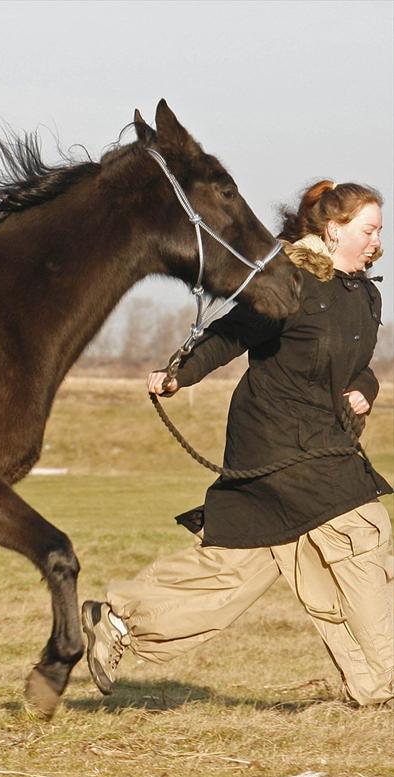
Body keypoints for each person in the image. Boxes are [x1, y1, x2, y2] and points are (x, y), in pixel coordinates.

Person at [81, 180, 393, 707]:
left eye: (380, 231)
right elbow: (231, 334)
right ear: (333, 229)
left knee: (235, 572)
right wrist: (181, 373)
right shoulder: (289, 283)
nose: (376, 241)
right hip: (279, 447)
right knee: (364, 536)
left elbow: (358, 368)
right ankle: (385, 676)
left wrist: (364, 390)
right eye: (368, 230)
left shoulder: (364, 294)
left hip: (321, 441)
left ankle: (117, 618)